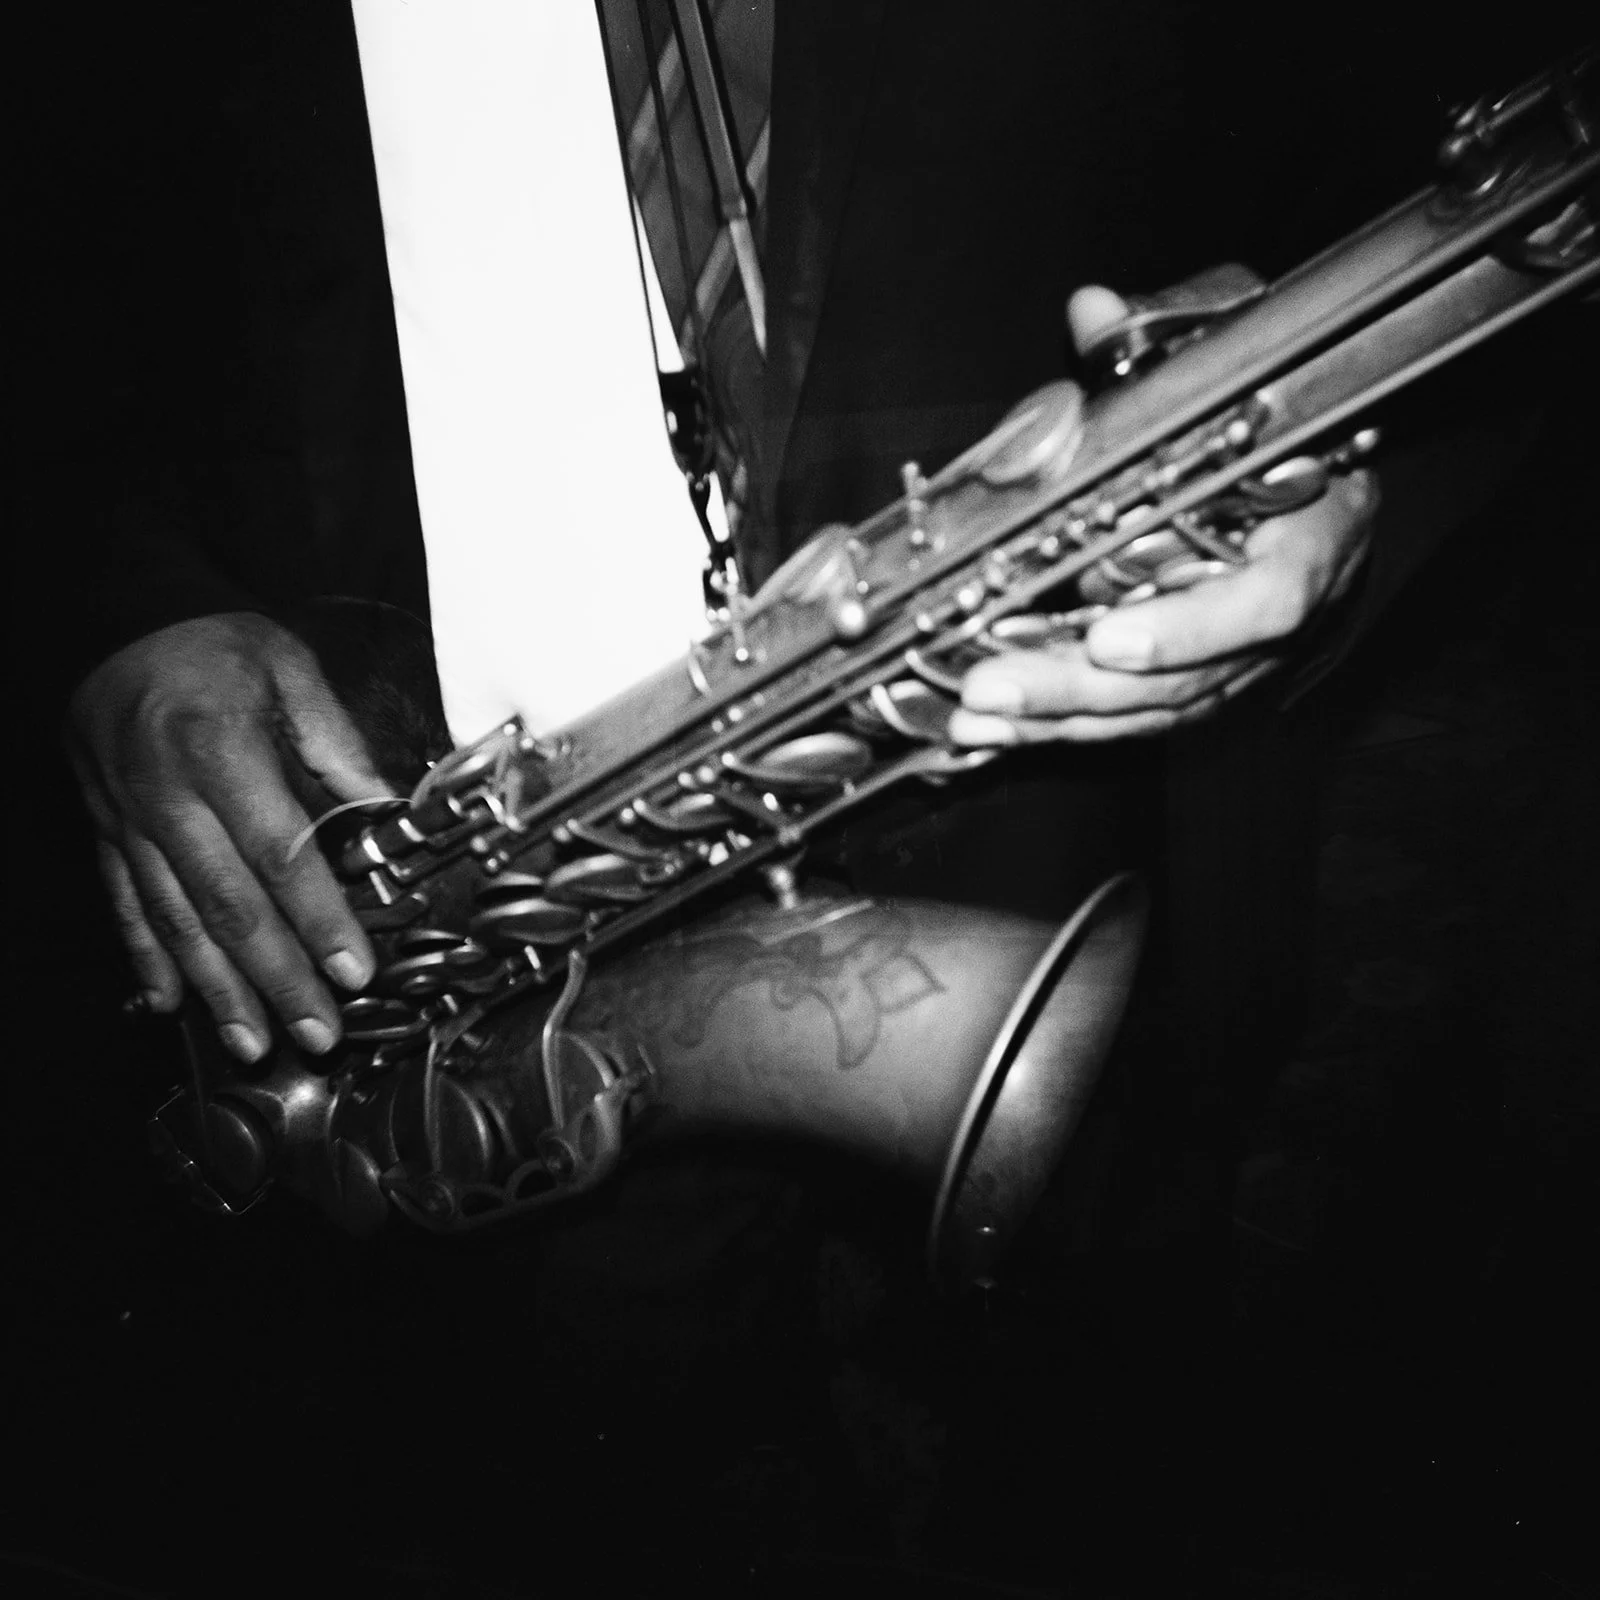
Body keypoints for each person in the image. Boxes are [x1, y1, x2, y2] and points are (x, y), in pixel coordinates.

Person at [59, 2, 1577, 1192]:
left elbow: (1429, 180)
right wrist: (116, 598)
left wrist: (1345, 483)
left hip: (1067, 906)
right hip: (418, 963)